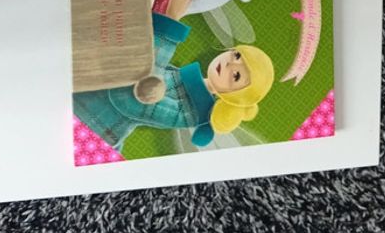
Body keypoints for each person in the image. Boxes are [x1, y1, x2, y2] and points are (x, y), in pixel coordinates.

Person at [73, 11, 274, 150]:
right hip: (80, 102)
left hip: (88, 132)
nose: (229, 64)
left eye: (236, 75)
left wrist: (169, 29)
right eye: (236, 56)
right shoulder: (184, 77)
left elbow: (133, 97)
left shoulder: (192, 113)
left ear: (237, 95)